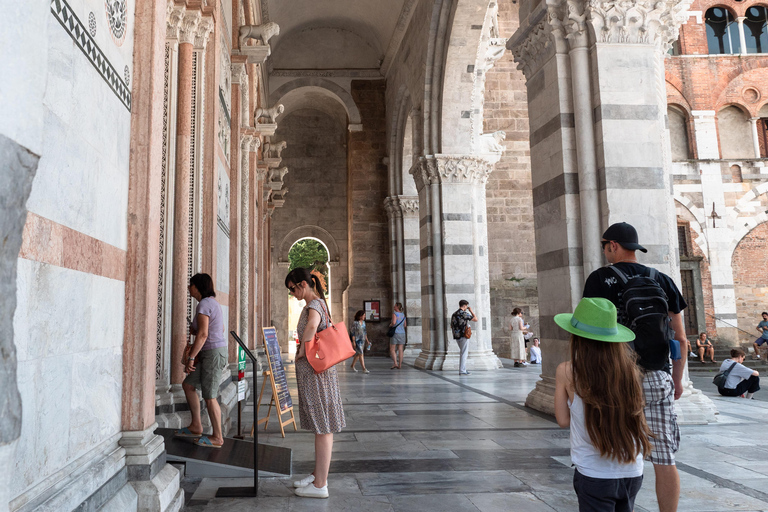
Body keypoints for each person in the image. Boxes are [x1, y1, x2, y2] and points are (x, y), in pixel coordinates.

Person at [583, 222, 687, 512]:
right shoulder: (662, 279)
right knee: (665, 459)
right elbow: (680, 338)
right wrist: (676, 380)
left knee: (614, 453)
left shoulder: (600, 279)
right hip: (657, 376)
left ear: (613, 245)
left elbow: (591, 335)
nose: (605, 252)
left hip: (615, 377)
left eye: (605, 247)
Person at [555, 297, 651, 512]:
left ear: (577, 338)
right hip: (632, 469)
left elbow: (562, 420)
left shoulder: (567, 371)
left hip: (594, 472)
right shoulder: (630, 371)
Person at [285, 268, 345, 499]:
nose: (292, 293)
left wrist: (301, 350)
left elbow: (312, 327)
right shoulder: (318, 303)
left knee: (323, 427)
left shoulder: (314, 306)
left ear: (303, 284)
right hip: (318, 375)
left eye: (292, 288)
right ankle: (317, 475)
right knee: (321, 426)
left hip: (317, 375)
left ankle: (321, 485)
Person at [175, 273, 228, 449]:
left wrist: (191, 357)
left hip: (212, 354)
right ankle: (196, 425)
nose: (188, 288)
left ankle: (218, 437)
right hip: (210, 354)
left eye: (190, 285)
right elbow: (217, 328)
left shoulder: (205, 304)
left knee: (210, 396)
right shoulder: (212, 303)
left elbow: (204, 334)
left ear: (197, 287)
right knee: (188, 385)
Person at [451, 300, 477, 375]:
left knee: (462, 352)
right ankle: (462, 370)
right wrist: (471, 311)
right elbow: (475, 319)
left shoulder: (454, 314)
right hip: (464, 335)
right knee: (464, 353)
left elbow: (451, 325)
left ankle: (462, 370)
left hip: (456, 336)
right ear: (465, 306)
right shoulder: (464, 313)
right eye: (466, 306)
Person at [389, 303, 407, 369]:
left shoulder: (395, 314)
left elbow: (393, 322)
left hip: (395, 333)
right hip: (402, 333)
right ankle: (400, 365)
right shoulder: (403, 315)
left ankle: (395, 363)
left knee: (392, 349)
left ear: (397, 306)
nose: (394, 306)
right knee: (400, 349)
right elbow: (405, 325)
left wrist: (390, 325)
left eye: (395, 305)